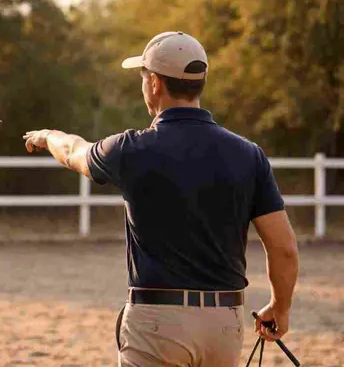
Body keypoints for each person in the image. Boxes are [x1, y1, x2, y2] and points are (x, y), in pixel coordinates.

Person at [23, 32, 299, 366]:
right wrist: (279, 308)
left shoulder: (131, 149)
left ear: (154, 83)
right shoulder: (249, 155)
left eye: (143, 78)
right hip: (224, 325)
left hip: (156, 322)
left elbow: (73, 152)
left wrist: (48, 136)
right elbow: (283, 248)